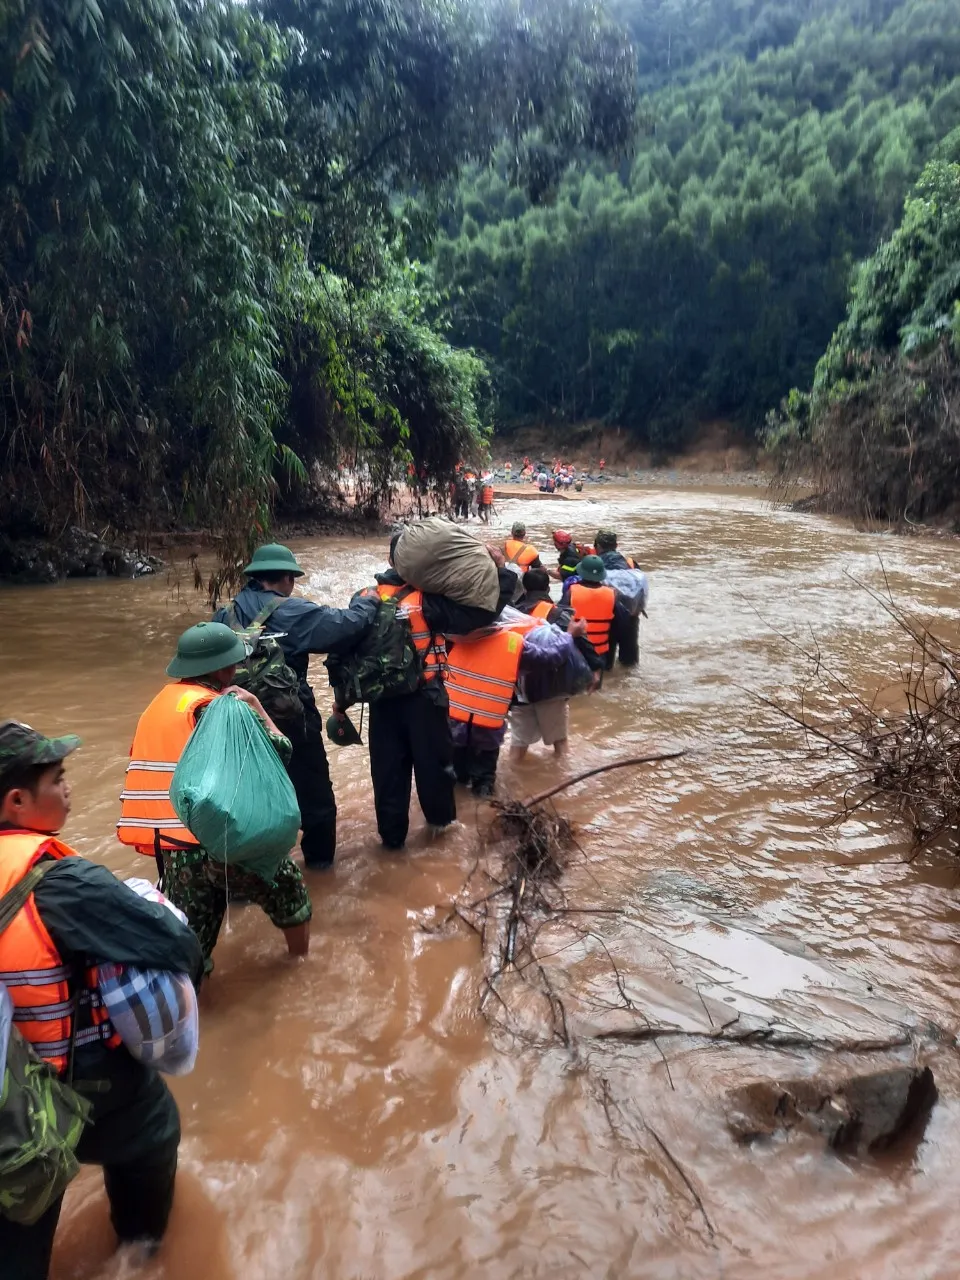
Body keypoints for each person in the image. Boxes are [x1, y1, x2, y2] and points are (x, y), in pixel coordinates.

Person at [0, 720, 203, 1279]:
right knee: (152, 1125)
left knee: (17, 1203)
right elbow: (179, 947)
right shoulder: (63, 884)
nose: (68, 788)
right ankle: (142, 1252)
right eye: (57, 779)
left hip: (5, 1099)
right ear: (17, 802)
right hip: (66, 1085)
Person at [118, 622, 313, 968]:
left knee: (191, 942)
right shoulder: (220, 708)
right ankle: (301, 966)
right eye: (234, 663)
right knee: (289, 890)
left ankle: (195, 1010)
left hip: (172, 846)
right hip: (216, 840)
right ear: (222, 668)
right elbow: (279, 752)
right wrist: (258, 707)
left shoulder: (159, 705)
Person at [213, 544, 377, 869]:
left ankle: (251, 875)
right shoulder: (291, 611)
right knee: (316, 802)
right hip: (292, 725)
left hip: (237, 725)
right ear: (287, 578)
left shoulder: (224, 614)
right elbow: (346, 626)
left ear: (255, 577)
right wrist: (366, 602)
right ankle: (319, 871)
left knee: (249, 802)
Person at [368, 538, 457, 850]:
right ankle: (440, 833)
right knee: (434, 767)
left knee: (388, 772)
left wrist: (341, 703)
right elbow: (486, 607)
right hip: (425, 697)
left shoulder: (367, 596)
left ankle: (392, 843)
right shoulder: (432, 600)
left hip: (382, 700)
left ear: (390, 559)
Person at [508, 570, 603, 761]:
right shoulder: (558, 614)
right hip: (550, 684)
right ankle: (564, 780)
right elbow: (583, 642)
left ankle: (512, 779)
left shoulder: (512, 614)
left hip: (517, 687)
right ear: (548, 588)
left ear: (524, 589)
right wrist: (596, 670)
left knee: (518, 743)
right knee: (559, 741)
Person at [595, 529, 643, 667]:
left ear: (597, 546)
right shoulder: (630, 563)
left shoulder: (594, 565)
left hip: (607, 617)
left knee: (606, 663)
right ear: (616, 546)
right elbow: (641, 587)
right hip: (631, 615)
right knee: (630, 663)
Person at [561, 555, 616, 668]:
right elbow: (618, 624)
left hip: (577, 650)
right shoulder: (612, 594)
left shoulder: (571, 591)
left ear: (581, 572)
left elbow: (559, 619)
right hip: (600, 652)